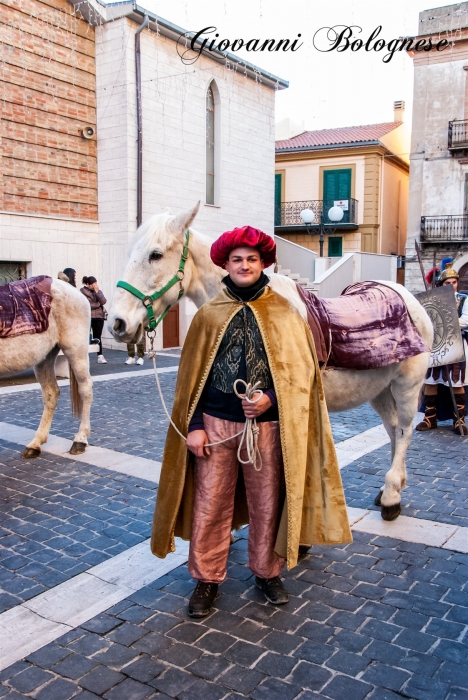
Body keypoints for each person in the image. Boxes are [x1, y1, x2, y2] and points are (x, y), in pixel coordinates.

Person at [150, 226, 351, 618]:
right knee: (211, 505)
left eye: (252, 259)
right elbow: (191, 381)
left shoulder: (285, 313)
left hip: (269, 429)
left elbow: (300, 373)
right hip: (216, 427)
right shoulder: (209, 315)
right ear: (225, 264)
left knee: (267, 503)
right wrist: (194, 426)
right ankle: (207, 579)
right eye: (237, 259)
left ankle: (267, 572)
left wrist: (270, 400)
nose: (244, 265)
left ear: (263, 264)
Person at [416, 265, 468, 435]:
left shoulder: (464, 299)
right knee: (431, 380)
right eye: (448, 282)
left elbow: (465, 321)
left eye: (454, 282)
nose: (451, 284)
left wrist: (444, 323)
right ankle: (430, 418)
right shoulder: (434, 300)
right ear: (441, 284)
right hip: (437, 344)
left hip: (457, 344)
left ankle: (458, 419)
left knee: (456, 382)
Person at [80, 276, 108, 364]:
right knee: (85, 337)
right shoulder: (82, 292)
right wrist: (97, 304)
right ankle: (83, 357)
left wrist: (97, 292)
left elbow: (103, 301)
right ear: (88, 284)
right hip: (88, 316)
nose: (95, 285)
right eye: (93, 284)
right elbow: (86, 304)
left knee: (98, 336)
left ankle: (100, 356)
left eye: (96, 283)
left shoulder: (98, 291)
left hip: (99, 317)